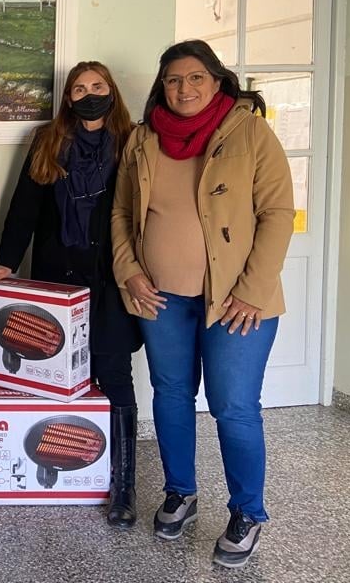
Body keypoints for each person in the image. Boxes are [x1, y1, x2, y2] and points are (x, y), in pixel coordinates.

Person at [111, 39, 294, 569]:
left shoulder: (250, 132)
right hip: (160, 297)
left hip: (238, 302)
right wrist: (129, 271)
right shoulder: (143, 139)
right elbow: (122, 214)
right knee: (170, 395)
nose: (184, 88)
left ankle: (247, 513)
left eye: (195, 78)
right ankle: (180, 492)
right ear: (161, 87)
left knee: (233, 406)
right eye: (173, 79)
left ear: (216, 82)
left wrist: (253, 290)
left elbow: (278, 213)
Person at [0, 61, 142, 529]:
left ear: (112, 90)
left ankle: (124, 485)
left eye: (97, 86)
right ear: (68, 98)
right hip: (56, 279)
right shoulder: (48, 140)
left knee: (114, 374)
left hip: (112, 278)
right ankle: (67, 470)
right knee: (57, 371)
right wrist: (7, 261)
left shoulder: (133, 141)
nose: (89, 95)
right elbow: (24, 208)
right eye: (79, 89)